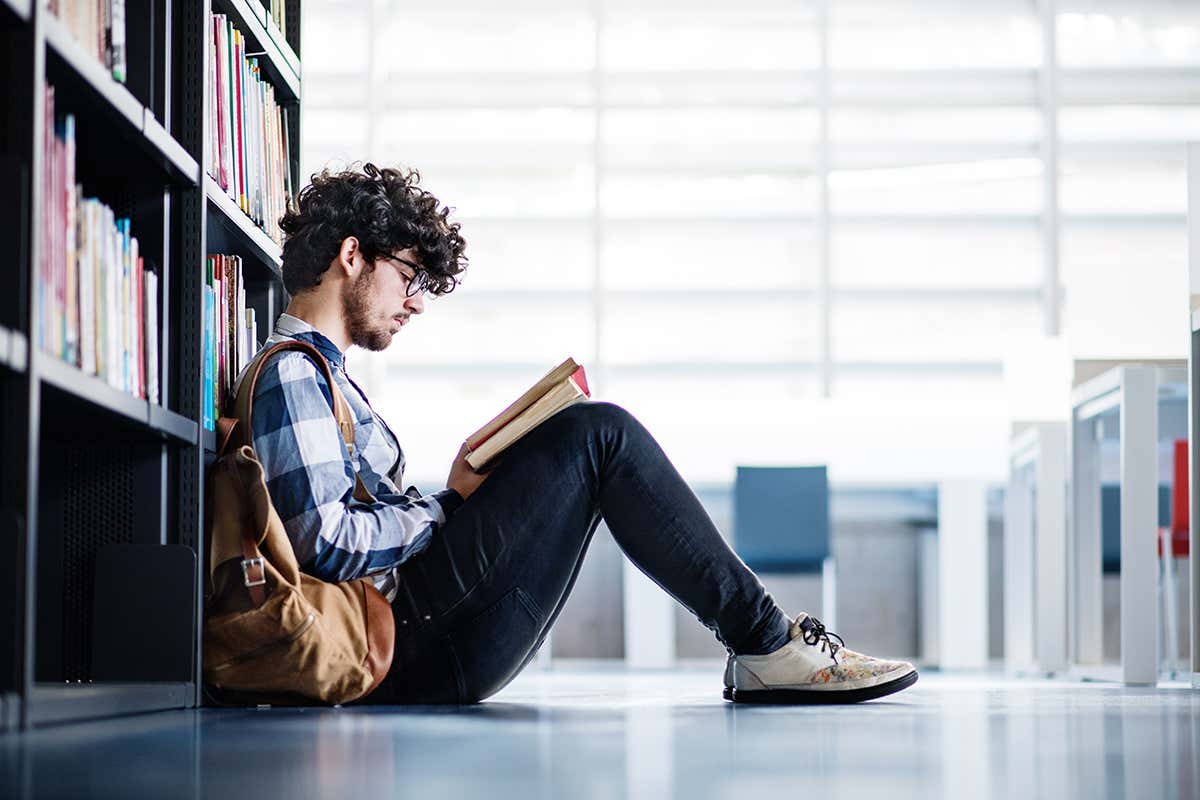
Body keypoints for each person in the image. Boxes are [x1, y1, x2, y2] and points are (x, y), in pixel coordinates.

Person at [238, 162, 918, 705]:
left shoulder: (327, 379)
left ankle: (765, 646)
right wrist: (446, 504)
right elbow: (322, 544)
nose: (414, 301)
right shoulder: (294, 376)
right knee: (600, 434)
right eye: (410, 276)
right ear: (352, 255)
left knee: (588, 436)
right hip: (396, 643)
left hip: (411, 631)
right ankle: (769, 645)